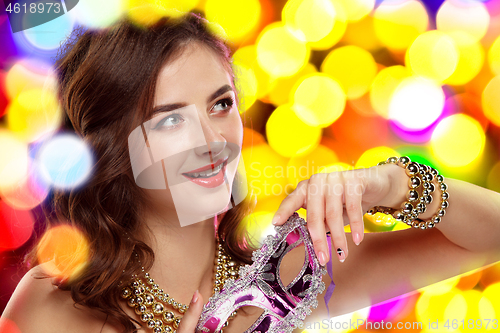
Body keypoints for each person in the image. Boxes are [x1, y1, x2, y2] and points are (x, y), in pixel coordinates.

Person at [2, 10, 500, 333]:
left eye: (221, 104)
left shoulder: (290, 279)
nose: (213, 140)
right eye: (170, 118)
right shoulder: (50, 307)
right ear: (114, 148)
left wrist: (393, 183)